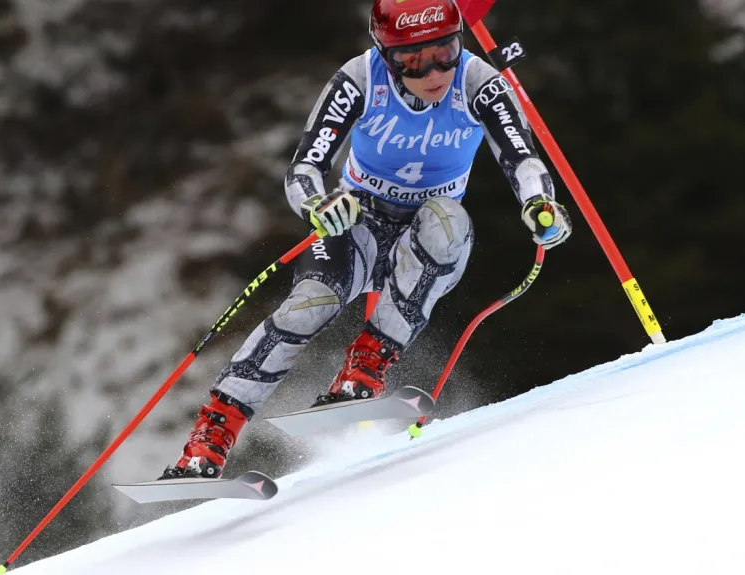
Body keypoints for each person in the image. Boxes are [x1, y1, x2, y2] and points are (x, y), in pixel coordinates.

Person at [159, 0, 573, 480]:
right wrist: (318, 205)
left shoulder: (480, 82)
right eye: (414, 61)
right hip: (358, 222)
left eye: (446, 51)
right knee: (307, 306)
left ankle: (364, 371)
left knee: (449, 221)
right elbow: (305, 167)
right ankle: (210, 440)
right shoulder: (358, 79)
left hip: (425, 233)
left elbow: (521, 156)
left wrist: (538, 203)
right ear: (386, 55)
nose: (435, 71)